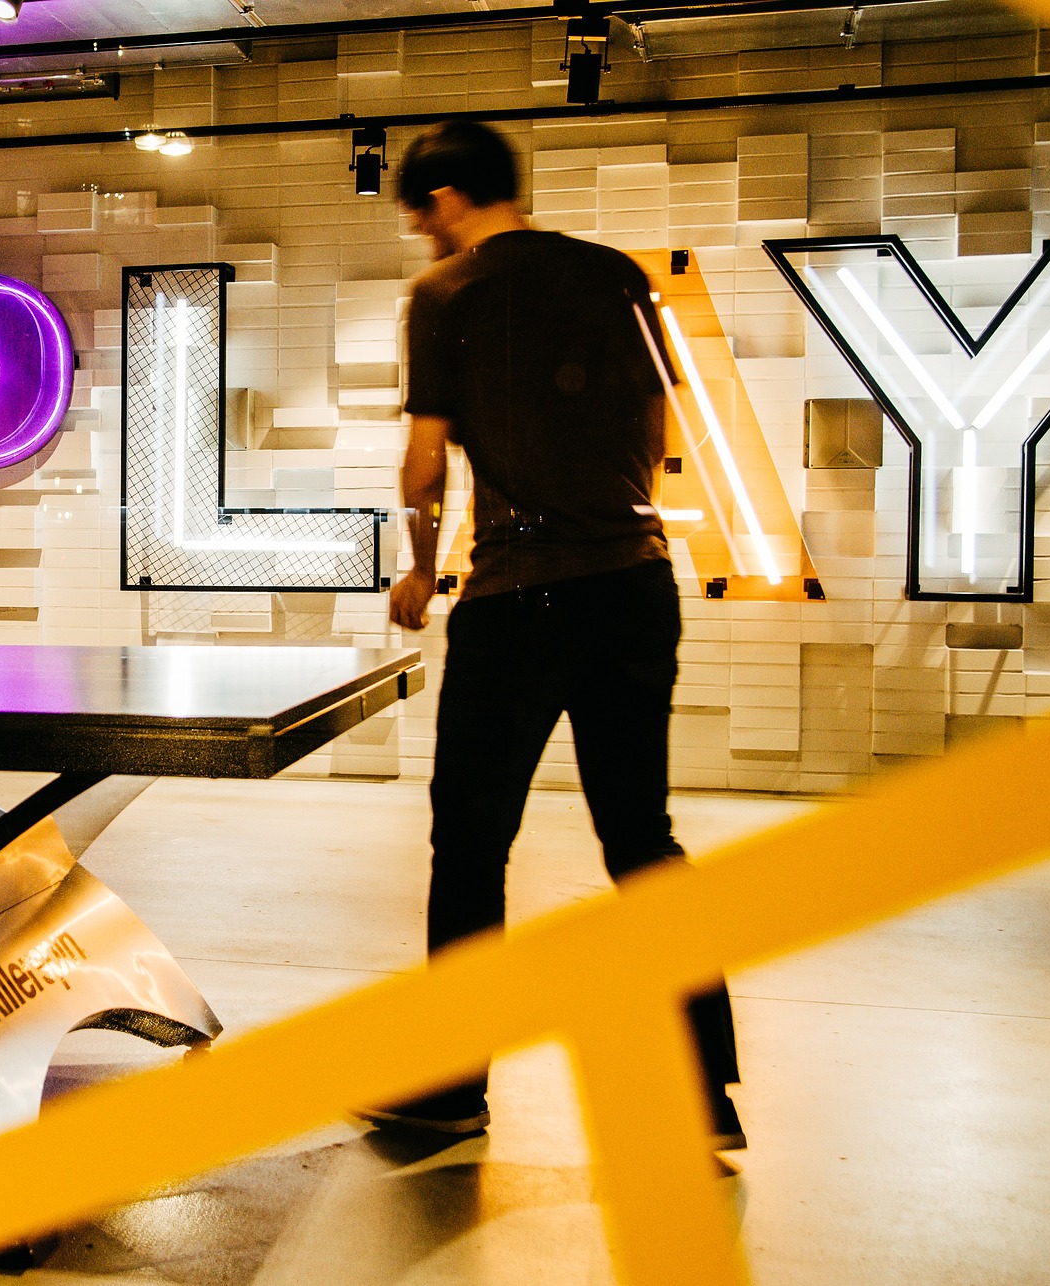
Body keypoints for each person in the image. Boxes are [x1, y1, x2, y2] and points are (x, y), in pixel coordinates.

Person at [359, 119, 744, 1155]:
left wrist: (421, 563)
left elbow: (425, 461)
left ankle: (449, 1086)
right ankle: (706, 1087)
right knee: (641, 836)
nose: (422, 234)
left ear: (444, 199)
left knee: (472, 844)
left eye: (419, 214)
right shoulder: (615, 275)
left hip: (521, 594)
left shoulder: (446, 296)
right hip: (635, 583)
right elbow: (658, 424)